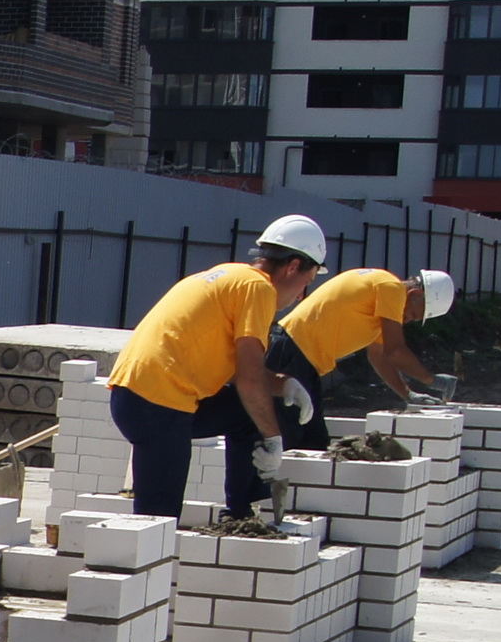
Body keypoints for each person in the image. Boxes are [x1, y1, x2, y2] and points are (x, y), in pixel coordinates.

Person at [105, 216, 327, 521]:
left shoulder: (232, 276)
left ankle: (241, 514)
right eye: (308, 281)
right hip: (157, 402)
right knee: (157, 520)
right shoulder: (258, 289)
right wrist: (274, 438)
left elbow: (239, 369)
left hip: (142, 396)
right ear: (292, 267)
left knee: (245, 415)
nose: (302, 294)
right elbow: (249, 380)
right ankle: (138, 565)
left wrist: (283, 384)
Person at [274, 264, 458, 448]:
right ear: (415, 295)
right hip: (291, 352)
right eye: (412, 315)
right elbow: (396, 351)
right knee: (289, 436)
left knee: (313, 440)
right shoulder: (390, 288)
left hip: (304, 361)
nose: (407, 320)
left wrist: (408, 393)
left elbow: (378, 356)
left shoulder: (382, 305)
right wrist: (431, 380)